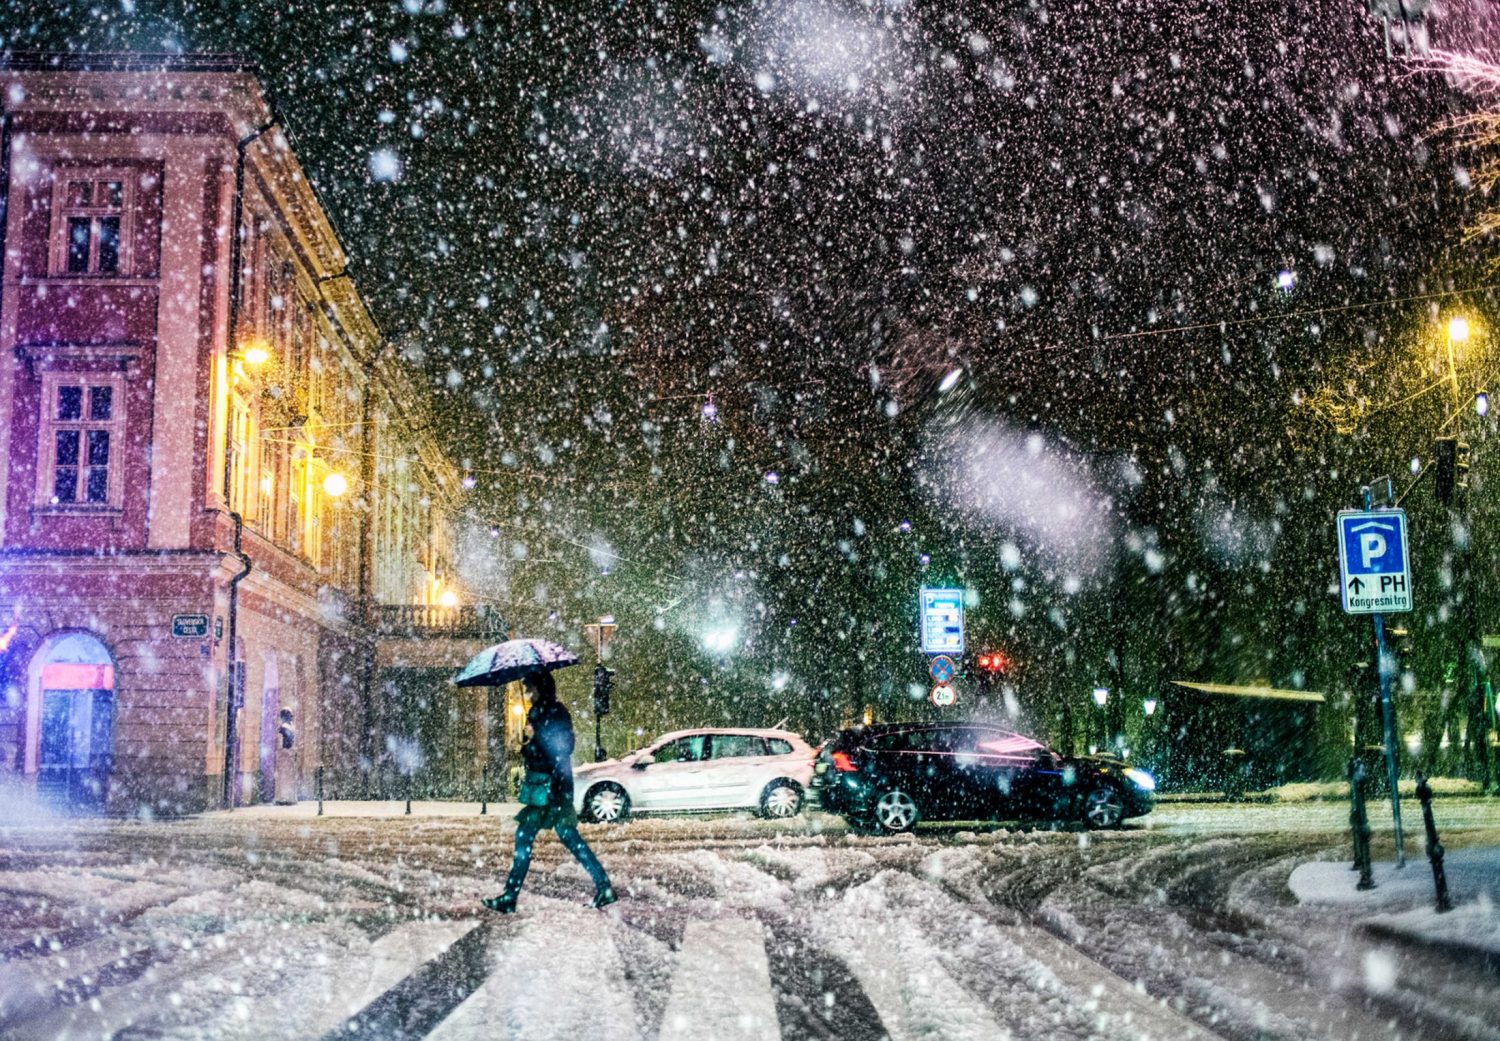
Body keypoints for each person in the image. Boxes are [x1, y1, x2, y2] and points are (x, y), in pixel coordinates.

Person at [484, 670, 615, 912]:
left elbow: (557, 750)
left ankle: (510, 897)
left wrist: (532, 739)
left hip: (549, 789)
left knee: (527, 838)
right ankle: (603, 886)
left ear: (540, 688)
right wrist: (528, 742)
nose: (527, 693)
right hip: (556, 787)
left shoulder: (545, 713)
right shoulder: (554, 712)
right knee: (566, 837)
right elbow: (556, 748)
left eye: (529, 688)